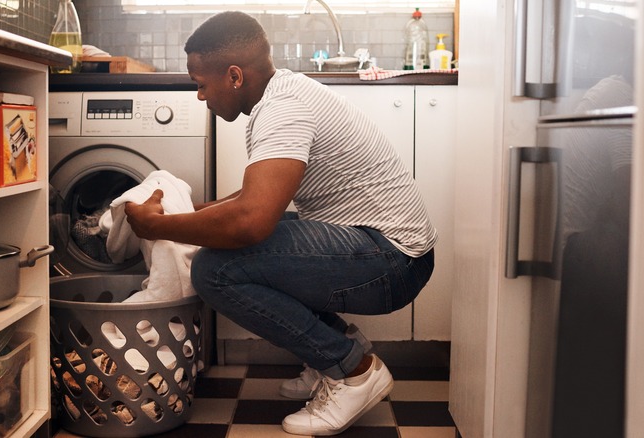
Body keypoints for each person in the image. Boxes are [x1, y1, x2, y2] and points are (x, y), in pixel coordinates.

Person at [123, 10, 437, 436]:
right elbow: (252, 197)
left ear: (234, 76)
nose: (199, 97)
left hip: (393, 260)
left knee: (216, 269)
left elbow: (251, 221)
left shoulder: (283, 109)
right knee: (249, 245)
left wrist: (157, 227)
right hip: (386, 249)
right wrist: (188, 212)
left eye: (200, 85)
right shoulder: (283, 94)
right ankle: (334, 355)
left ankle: (354, 371)